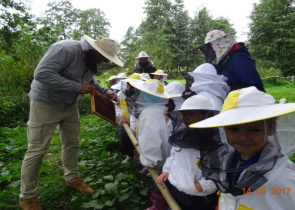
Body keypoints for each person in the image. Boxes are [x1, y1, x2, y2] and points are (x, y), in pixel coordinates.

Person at [19, 35, 123, 210]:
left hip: (70, 104)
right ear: (94, 50)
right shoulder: (65, 49)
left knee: (72, 143)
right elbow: (42, 73)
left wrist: (106, 92)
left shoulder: (90, 60)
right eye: (104, 57)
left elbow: (89, 80)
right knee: (37, 150)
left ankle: (72, 178)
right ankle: (27, 196)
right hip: (46, 102)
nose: (105, 61)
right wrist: (77, 87)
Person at [190, 86, 295, 209]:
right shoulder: (227, 160)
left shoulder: (285, 179)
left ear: (270, 128)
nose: (242, 137)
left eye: (254, 130)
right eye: (233, 129)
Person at [157, 95, 223, 210]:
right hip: (177, 189)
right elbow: (174, 155)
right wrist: (167, 170)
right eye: (184, 115)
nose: (186, 119)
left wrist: (201, 186)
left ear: (208, 115)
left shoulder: (215, 143)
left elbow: (220, 171)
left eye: (191, 114)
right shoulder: (182, 137)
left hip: (200, 198)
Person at [127, 79, 172, 210]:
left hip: (159, 165)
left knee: (163, 188)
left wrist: (149, 161)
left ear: (148, 96)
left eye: (142, 93)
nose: (139, 96)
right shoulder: (157, 111)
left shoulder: (149, 114)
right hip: (166, 161)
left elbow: (151, 142)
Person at [198, 30, 265, 92]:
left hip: (244, 102)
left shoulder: (239, 59)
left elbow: (256, 87)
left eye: (209, 47)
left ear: (218, 45)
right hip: (230, 103)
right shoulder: (222, 62)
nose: (208, 51)